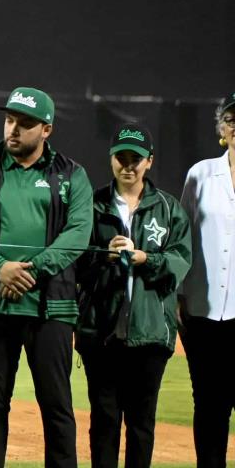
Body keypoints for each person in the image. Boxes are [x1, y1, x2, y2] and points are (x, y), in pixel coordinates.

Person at [0, 87, 93, 468]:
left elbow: (78, 234)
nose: (13, 129)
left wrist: (30, 272)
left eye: (25, 123)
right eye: (10, 120)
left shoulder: (71, 175)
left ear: (46, 129)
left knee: (56, 403)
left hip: (51, 306)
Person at [76, 124, 191, 468]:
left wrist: (145, 258)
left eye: (135, 159)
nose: (128, 166)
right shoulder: (92, 206)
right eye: (121, 158)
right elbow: (73, 261)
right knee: (104, 422)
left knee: (142, 425)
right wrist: (101, 255)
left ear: (149, 162)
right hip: (101, 332)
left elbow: (180, 262)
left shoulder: (169, 209)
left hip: (151, 333)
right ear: (111, 159)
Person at [180, 91, 235, 468]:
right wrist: (179, 295)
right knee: (210, 405)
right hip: (203, 312)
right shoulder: (200, 174)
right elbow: (184, 239)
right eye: (232, 118)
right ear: (222, 128)